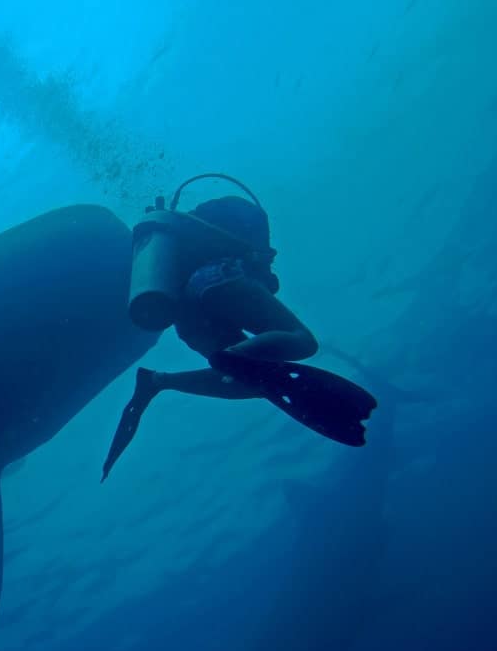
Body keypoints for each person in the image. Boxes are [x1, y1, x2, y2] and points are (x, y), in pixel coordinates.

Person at [101, 182, 377, 481]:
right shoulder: (246, 218)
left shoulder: (182, 240)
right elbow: (257, 261)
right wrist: (264, 266)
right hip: (217, 279)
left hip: (186, 314)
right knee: (303, 341)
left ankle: (158, 382)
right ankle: (232, 356)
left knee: (253, 383)